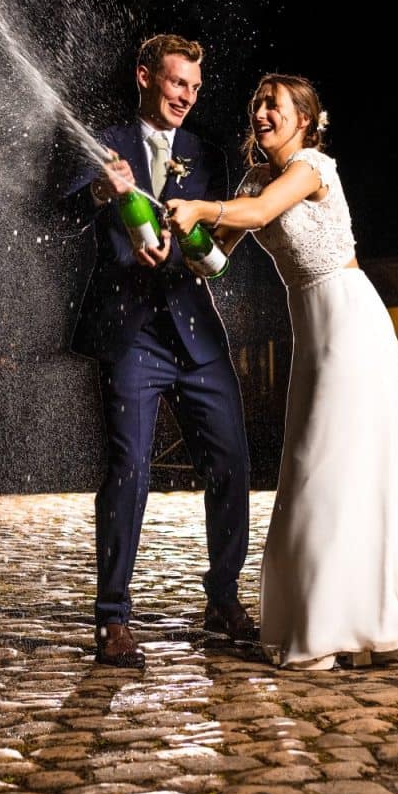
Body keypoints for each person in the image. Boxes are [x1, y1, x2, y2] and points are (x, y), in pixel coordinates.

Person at [166, 74, 398, 670]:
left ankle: (361, 627)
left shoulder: (311, 168)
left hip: (352, 328)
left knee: (335, 469)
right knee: (312, 466)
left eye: (272, 105)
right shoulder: (257, 179)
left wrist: (203, 204)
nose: (260, 112)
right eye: (256, 103)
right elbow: (214, 257)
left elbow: (255, 213)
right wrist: (169, 225)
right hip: (312, 336)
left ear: (304, 119)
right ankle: (339, 623)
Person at [65, 33, 255, 669]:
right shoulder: (105, 141)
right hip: (132, 335)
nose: (187, 97)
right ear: (145, 76)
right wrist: (101, 191)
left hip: (197, 334)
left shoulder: (204, 152)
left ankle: (223, 598)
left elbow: (217, 236)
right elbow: (52, 210)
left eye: (195, 89)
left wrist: (197, 248)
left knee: (231, 461)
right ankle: (112, 620)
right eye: (177, 83)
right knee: (129, 471)